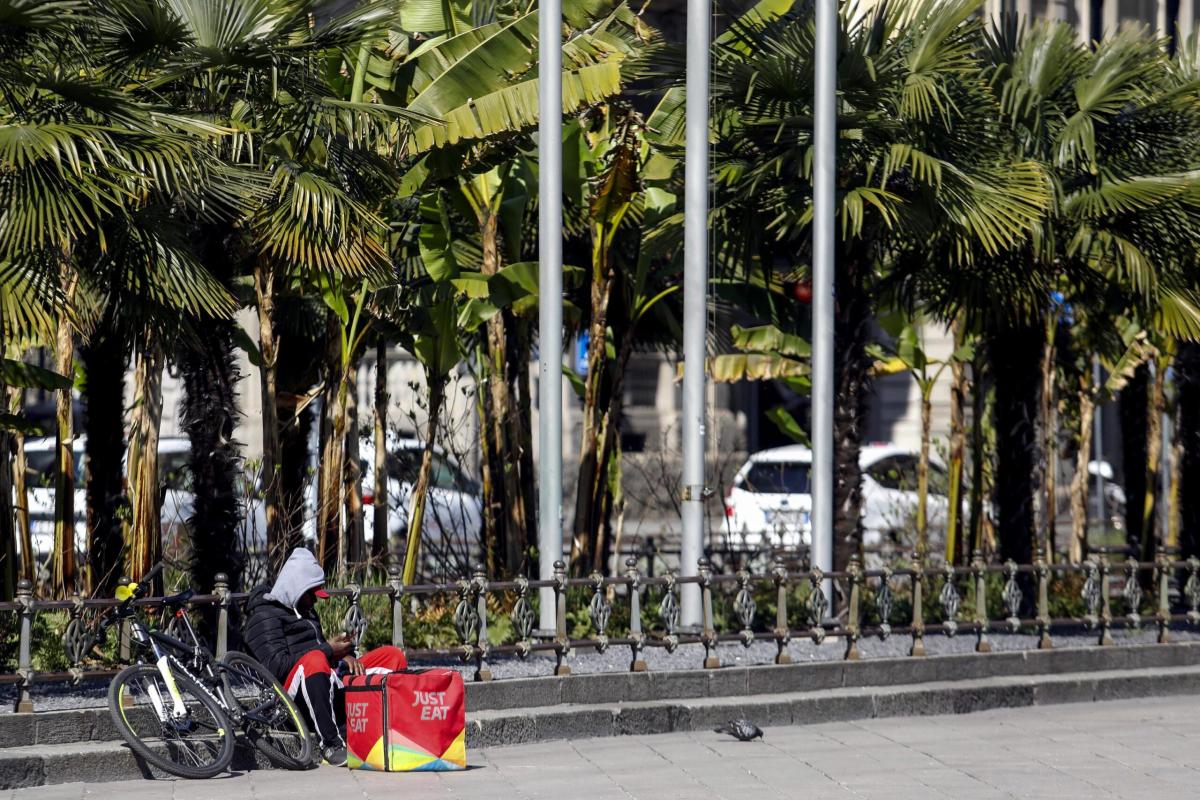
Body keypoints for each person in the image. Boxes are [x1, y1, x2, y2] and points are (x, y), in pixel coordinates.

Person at [243, 548, 408, 766]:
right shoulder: (263, 617)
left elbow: (321, 654)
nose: (315, 601)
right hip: (289, 703)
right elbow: (275, 668)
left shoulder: (307, 612)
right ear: (295, 589)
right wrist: (327, 651)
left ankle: (394, 728)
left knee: (392, 656)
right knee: (314, 661)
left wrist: (343, 656)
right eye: (311, 594)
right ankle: (330, 744)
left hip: (323, 683)